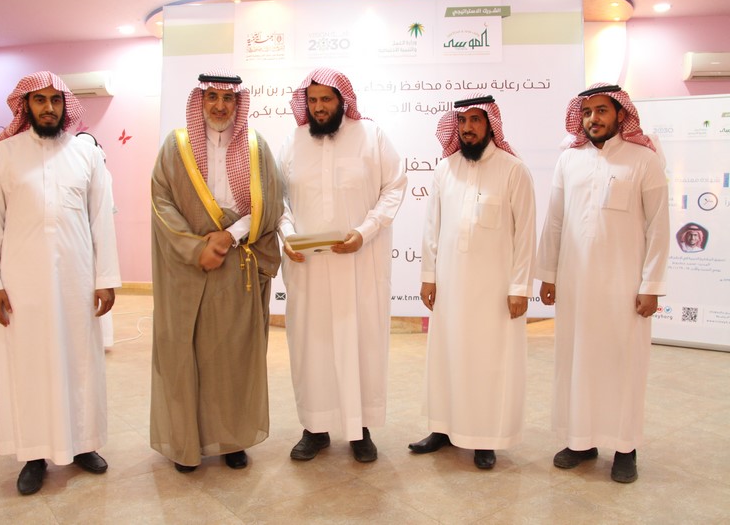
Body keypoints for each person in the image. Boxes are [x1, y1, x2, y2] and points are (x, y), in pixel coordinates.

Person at [0, 71, 121, 495]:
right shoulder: (2, 155)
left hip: (77, 279)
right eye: (39, 100)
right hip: (22, 285)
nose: (48, 108)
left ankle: (83, 444)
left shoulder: (85, 153)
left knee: (81, 361)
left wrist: (106, 278)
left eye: (56, 100)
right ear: (26, 106)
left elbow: (101, 220)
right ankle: (34, 454)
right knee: (29, 365)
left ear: (65, 106)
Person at [536, 83, 669, 483]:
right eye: (587, 112)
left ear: (620, 114)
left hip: (623, 286)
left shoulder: (644, 159)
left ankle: (625, 448)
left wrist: (651, 284)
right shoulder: (569, 159)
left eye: (602, 111)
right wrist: (548, 274)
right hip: (576, 283)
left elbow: (658, 225)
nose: (593, 118)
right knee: (576, 362)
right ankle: (581, 441)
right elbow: (555, 220)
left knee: (622, 364)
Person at [150, 70, 282, 472]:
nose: (220, 106)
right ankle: (186, 442)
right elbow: (161, 201)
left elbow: (270, 203)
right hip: (188, 267)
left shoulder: (256, 146)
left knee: (232, 356)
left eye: (228, 99)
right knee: (186, 355)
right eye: (211, 97)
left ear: (238, 103)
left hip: (236, 263)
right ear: (200, 100)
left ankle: (231, 440)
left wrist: (228, 236)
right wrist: (197, 248)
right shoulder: (176, 146)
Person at [278, 67, 407, 463]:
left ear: (342, 100)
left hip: (359, 265)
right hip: (308, 269)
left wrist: (365, 231)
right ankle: (314, 429)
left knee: (360, 345)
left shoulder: (372, 136)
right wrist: (287, 234)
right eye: (312, 100)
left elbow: (394, 186)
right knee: (311, 347)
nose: (319, 107)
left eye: (326, 99)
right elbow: (279, 200)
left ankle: (359, 429)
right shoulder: (293, 142)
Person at [408, 95, 536, 469]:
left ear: (490, 124)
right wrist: (428, 277)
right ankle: (442, 428)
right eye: (462, 121)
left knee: (488, 362)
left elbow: (526, 233)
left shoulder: (513, 170)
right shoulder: (444, 169)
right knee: (446, 356)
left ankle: (485, 437)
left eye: (476, 120)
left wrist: (519, 287)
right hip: (450, 286)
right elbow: (432, 227)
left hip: (494, 291)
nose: (467, 128)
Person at [75, 132, 117, 349]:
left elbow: (103, 209)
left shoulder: (101, 172)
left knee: (97, 287)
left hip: (93, 237)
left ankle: (102, 339)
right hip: (75, 241)